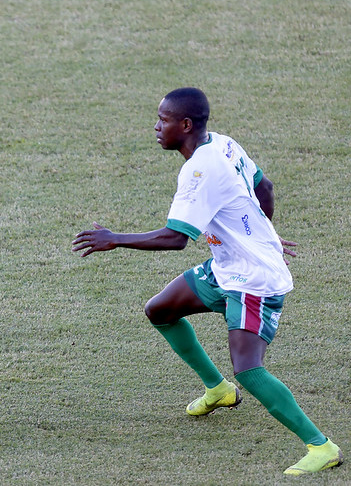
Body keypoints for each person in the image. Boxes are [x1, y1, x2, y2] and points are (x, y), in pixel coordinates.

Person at [71, 87, 343, 476]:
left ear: (185, 125)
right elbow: (264, 187)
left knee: (248, 369)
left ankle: (321, 446)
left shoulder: (199, 170)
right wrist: (262, 235)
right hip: (226, 266)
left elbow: (175, 238)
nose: (156, 127)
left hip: (253, 280)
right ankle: (218, 390)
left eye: (163, 120)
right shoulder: (223, 143)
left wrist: (115, 238)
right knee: (160, 310)